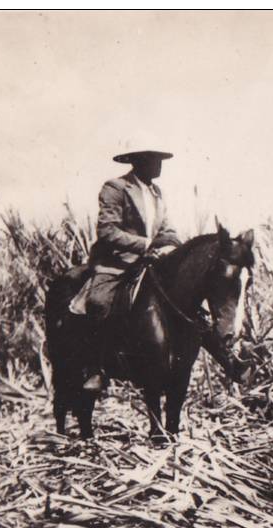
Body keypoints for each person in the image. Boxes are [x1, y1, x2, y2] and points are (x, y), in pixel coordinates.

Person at [78, 148, 182, 392]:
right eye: (153, 159)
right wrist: (146, 244)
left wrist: (176, 246)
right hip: (117, 263)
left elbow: (166, 228)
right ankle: (96, 369)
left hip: (151, 261)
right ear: (138, 161)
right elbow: (107, 230)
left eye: (160, 159)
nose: (158, 165)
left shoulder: (157, 193)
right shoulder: (115, 187)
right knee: (99, 301)